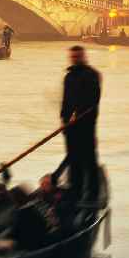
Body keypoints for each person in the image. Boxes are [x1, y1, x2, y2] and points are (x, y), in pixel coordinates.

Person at [53, 45, 101, 205]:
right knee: (73, 159)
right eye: (72, 57)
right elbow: (65, 101)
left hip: (86, 124)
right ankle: (76, 192)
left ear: (83, 57)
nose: (75, 59)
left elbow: (93, 100)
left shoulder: (92, 75)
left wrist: (78, 114)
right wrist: (64, 119)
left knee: (89, 159)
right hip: (70, 127)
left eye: (77, 57)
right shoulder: (69, 77)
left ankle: (93, 195)